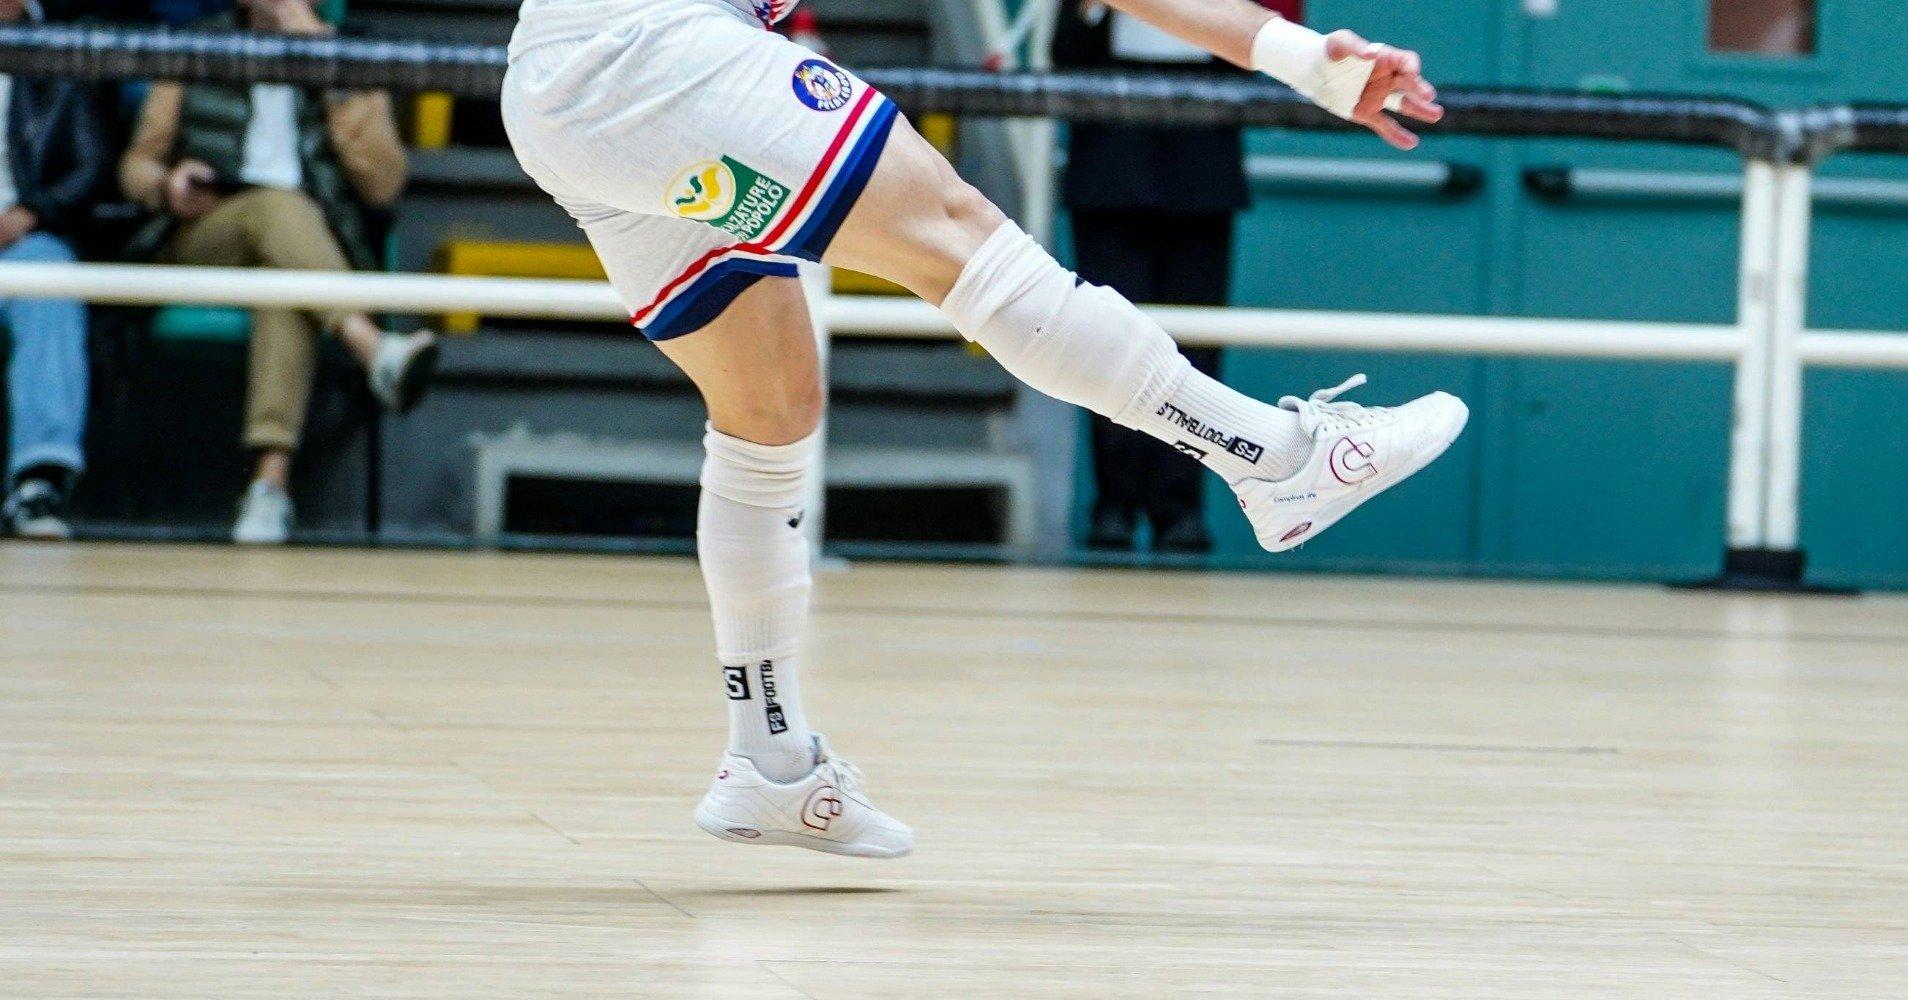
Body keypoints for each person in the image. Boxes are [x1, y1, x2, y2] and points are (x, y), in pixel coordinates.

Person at [501, 0, 1465, 857]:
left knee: (769, 409)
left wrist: (1313, 63)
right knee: (963, 240)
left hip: (556, 91)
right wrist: (1310, 63)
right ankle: (1276, 458)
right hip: (657, 49)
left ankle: (773, 763)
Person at [118, 0, 439, 545]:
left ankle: (268, 487)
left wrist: (329, 65)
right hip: (208, 233)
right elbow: (135, 166)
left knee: (285, 282)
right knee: (276, 208)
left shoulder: (350, 53)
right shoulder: (198, 46)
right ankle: (371, 345)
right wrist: (168, 184)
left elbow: (384, 183)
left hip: (307, 252)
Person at [1057, 0, 1261, 555]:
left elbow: (1255, 58)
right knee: (1108, 344)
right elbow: (1066, 55)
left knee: (1196, 350)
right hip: (1111, 170)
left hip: (1202, 170)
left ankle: (1180, 507)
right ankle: (1114, 503)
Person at [0, 0, 103, 540]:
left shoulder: (58, 49)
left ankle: (37, 482)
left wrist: (31, 212)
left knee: (49, 278)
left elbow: (87, 163)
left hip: (20, 236)